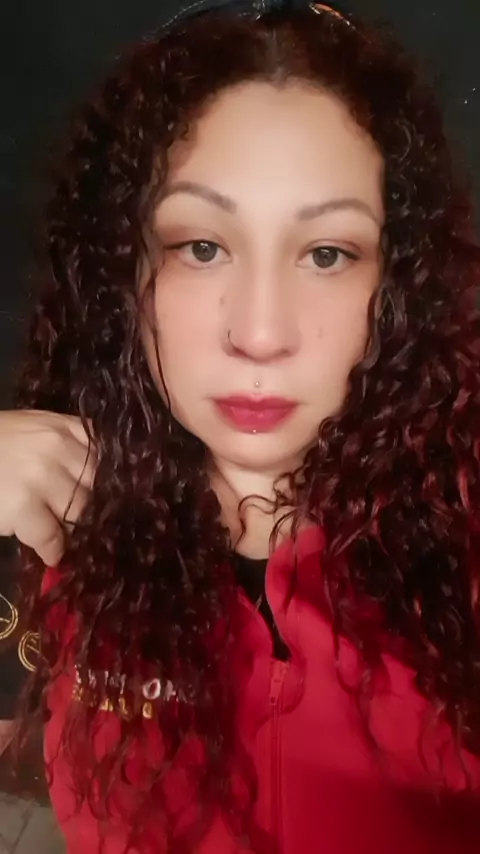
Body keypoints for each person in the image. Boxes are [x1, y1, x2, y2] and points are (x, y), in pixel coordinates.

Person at [1, 1, 480, 851]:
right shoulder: (60, 513)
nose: (260, 333)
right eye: (201, 246)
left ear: (399, 284)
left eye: (327, 254)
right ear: (124, 272)